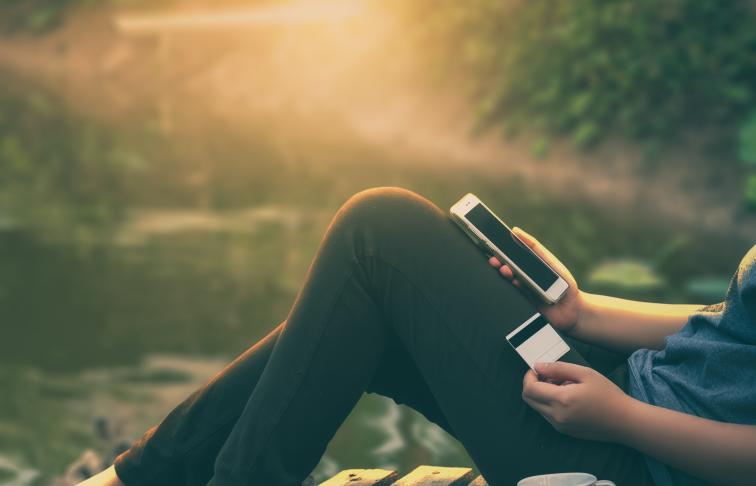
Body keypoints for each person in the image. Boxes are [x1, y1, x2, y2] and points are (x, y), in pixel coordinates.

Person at [79, 186, 756, 486]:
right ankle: (140, 476)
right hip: (630, 390)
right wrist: (582, 315)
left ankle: (158, 478)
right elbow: (732, 327)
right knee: (369, 312)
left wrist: (624, 420)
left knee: (380, 231)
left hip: (634, 462)